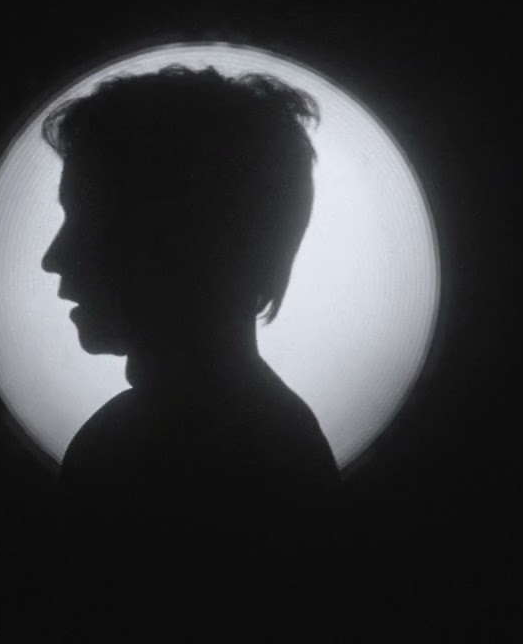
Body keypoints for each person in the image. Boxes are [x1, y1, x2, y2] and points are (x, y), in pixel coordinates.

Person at [40, 65, 342, 635]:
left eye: (89, 217)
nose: (54, 257)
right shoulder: (275, 441)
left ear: (181, 237)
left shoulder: (141, 453)